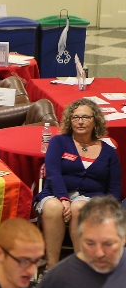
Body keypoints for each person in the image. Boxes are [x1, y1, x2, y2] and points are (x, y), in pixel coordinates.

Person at [35, 98, 121, 268]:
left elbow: (115, 186)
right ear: (70, 120)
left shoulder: (109, 152)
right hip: (56, 193)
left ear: (95, 120)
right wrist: (63, 197)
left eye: (86, 117)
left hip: (92, 198)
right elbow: (53, 173)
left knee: (80, 207)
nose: (80, 121)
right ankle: (51, 268)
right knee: (53, 206)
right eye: (75, 117)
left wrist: (109, 209)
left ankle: (80, 268)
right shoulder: (59, 142)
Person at [35, 196, 126, 288]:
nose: (99, 253)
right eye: (90, 243)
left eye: (108, 244)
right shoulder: (56, 281)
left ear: (123, 238)